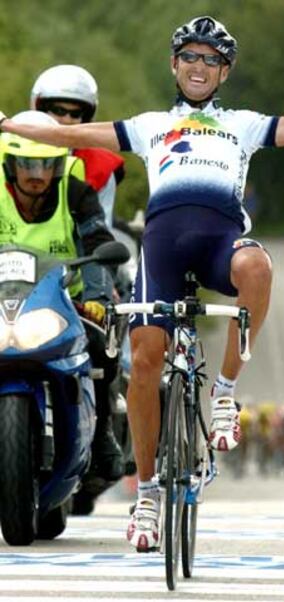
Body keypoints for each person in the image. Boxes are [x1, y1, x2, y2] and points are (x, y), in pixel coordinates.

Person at [0, 15, 284, 551]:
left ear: (225, 71)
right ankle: (147, 497)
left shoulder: (243, 124)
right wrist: (8, 125)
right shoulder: (149, 125)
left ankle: (224, 393)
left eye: (211, 60)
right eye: (190, 57)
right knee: (145, 361)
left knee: (257, 266)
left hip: (221, 245)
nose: (199, 67)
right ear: (174, 65)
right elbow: (67, 134)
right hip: (163, 252)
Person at [0, 110, 125, 496]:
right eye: (27, 165)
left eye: (46, 165)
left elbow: (96, 240)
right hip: (2, 297)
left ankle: (102, 432)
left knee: (103, 347)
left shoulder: (76, 189)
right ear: (10, 165)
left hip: (61, 301)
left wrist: (98, 298)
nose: (36, 175)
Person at [30, 64, 125, 228]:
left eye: (76, 114)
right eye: (58, 110)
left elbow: (101, 231)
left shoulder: (101, 168)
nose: (66, 119)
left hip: (76, 252)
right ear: (40, 109)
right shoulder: (7, 151)